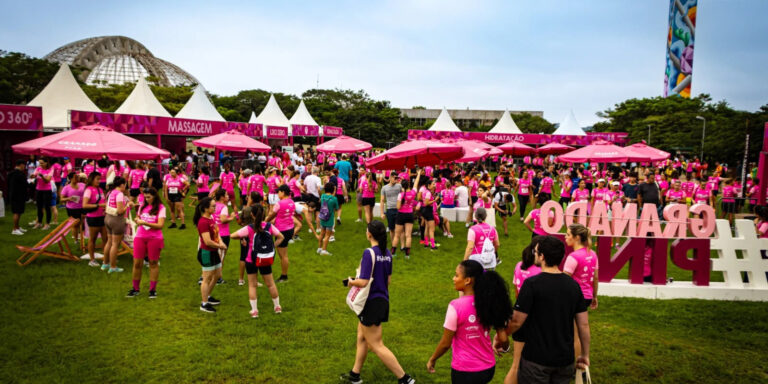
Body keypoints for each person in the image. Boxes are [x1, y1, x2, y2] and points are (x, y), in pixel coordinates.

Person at [502, 235, 591, 384]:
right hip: (564, 360)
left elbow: (516, 321)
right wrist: (584, 354)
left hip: (536, 361)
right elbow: (583, 325)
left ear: (542, 256)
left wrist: (501, 337)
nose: (534, 254)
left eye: (536, 252)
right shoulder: (573, 286)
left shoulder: (532, 284)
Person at [340, 220, 415, 384]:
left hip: (370, 303)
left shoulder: (369, 253)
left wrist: (351, 281)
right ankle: (355, 374)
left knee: (376, 344)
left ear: (369, 234)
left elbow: (364, 281)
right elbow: (388, 280)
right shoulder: (387, 253)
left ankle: (404, 379)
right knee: (361, 337)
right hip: (382, 300)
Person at [427, 259, 511, 384]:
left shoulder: (455, 306)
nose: (453, 278)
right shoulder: (489, 302)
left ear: (467, 280)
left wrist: (432, 359)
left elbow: (445, 343)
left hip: (464, 371)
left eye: (456, 275)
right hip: (487, 368)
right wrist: (505, 348)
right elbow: (503, 339)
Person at [231, 204, 285, 318]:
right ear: (264, 214)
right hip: (265, 258)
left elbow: (233, 235)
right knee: (271, 284)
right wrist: (272, 246)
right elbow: (281, 237)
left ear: (252, 214)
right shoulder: (269, 226)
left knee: (252, 285)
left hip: (251, 259)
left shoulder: (250, 228)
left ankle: (254, 311)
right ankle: (277, 307)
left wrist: (243, 238)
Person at [505, 239, 543, 384]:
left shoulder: (519, 265)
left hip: (519, 313)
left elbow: (516, 292)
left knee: (516, 364)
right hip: (535, 317)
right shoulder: (541, 271)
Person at [563, 224, 599, 363]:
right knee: (582, 328)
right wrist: (594, 296)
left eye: (568, 234)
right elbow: (595, 277)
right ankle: (584, 357)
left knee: (574, 334)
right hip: (587, 297)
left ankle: (574, 365)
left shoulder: (573, 257)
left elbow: (565, 282)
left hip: (573, 299)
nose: (565, 237)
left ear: (576, 237)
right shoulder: (593, 254)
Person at [127, 187, 165, 298]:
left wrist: (145, 222)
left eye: (149, 197)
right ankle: (135, 288)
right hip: (140, 237)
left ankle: (152, 290)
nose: (147, 199)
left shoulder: (161, 208)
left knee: (153, 263)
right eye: (145, 197)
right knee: (137, 263)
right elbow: (138, 218)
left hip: (155, 238)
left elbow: (160, 225)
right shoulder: (142, 206)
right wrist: (137, 220)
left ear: (155, 196)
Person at [194, 197, 227, 313]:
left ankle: (207, 296)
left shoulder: (211, 218)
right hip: (206, 252)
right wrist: (220, 246)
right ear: (206, 208)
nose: (215, 207)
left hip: (214, 251)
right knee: (206, 278)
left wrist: (221, 242)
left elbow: (216, 235)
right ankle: (204, 304)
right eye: (213, 206)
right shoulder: (203, 222)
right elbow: (207, 241)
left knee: (217, 274)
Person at [266, 185, 296, 283]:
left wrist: (264, 221)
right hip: (290, 229)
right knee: (284, 253)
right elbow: (283, 215)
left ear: (283, 192)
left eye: (278, 192)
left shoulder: (279, 203)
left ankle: (284, 276)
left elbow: (271, 215)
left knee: (283, 255)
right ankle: (283, 275)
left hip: (281, 231)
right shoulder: (292, 202)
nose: (277, 193)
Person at [392, 171, 421, 259]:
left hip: (401, 215)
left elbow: (397, 207)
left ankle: (393, 253)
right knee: (408, 235)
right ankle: (407, 255)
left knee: (397, 235)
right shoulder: (413, 193)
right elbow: (416, 183)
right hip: (410, 215)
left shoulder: (400, 195)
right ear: (408, 185)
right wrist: (418, 173)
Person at [82, 172, 108, 268]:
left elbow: (103, 201)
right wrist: (99, 205)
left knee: (106, 239)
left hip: (103, 217)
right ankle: (92, 259)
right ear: (92, 179)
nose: (99, 181)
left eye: (100, 179)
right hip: (93, 217)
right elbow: (84, 205)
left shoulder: (100, 189)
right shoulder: (88, 190)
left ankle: (106, 258)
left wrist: (105, 207)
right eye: (97, 179)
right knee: (93, 239)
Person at [31, 157, 54, 230]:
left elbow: (47, 180)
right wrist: (32, 176)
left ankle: (47, 224)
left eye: (42, 163)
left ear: (46, 163)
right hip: (39, 190)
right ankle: (39, 223)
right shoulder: (38, 168)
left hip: (47, 190)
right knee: (39, 207)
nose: (40, 165)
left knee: (47, 207)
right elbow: (33, 175)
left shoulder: (50, 169)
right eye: (39, 163)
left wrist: (41, 176)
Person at [317, 182, 339, 255]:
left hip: (322, 217)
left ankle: (319, 248)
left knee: (322, 233)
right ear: (333, 189)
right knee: (327, 235)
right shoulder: (334, 198)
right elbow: (336, 208)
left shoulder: (323, 196)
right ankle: (324, 250)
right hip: (329, 219)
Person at [8, 160, 28, 235]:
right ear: (21, 165)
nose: (24, 167)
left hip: (14, 195)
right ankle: (14, 229)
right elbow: (25, 184)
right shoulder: (19, 174)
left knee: (19, 212)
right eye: (24, 165)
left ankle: (17, 227)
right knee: (17, 212)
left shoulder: (11, 174)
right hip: (18, 195)